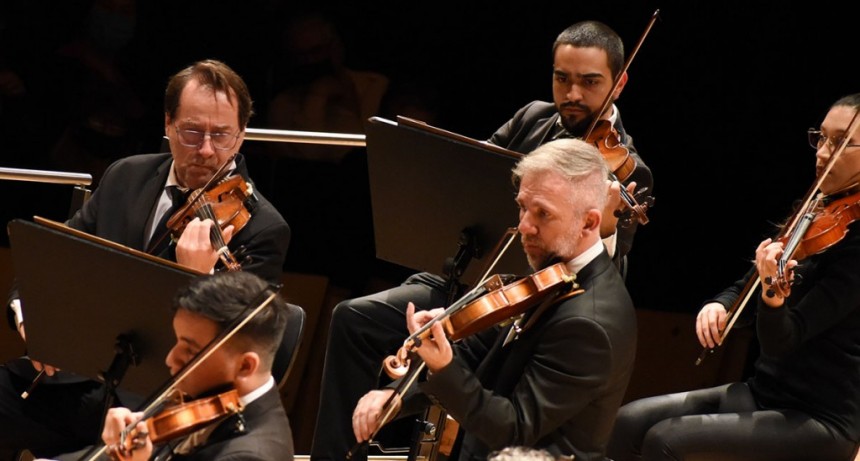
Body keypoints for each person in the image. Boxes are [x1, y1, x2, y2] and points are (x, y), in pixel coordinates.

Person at [310, 20, 650, 461]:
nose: (572, 95)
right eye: (561, 78)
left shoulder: (626, 170)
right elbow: (471, 177)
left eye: (590, 82)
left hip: (540, 289)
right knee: (356, 318)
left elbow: (602, 263)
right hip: (483, 279)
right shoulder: (534, 118)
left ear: (618, 83)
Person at [1, 59, 290, 459]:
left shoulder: (262, 228)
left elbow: (232, 353)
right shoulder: (125, 176)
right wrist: (33, 315)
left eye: (221, 135)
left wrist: (194, 280)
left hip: (154, 407)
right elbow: (51, 263)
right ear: (168, 123)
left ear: (241, 136)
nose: (207, 150)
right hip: (67, 383)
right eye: (191, 132)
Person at [606, 93, 860, 461]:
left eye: (840, 143)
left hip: (820, 417)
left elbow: (784, 340)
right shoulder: (816, 208)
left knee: (666, 441)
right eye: (821, 137)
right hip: (764, 395)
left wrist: (773, 300)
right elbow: (746, 285)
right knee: (628, 422)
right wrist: (721, 304)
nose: (822, 152)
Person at [351, 138, 637, 461]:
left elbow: (514, 429)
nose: (524, 226)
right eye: (523, 207)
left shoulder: (590, 325)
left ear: (589, 223)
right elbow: (473, 354)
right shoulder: (552, 271)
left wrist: (444, 367)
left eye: (543, 214)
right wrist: (396, 395)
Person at [99, 271, 294, 460]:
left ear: (245, 366)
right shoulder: (199, 399)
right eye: (177, 341)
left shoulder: (248, 456)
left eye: (190, 350)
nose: (170, 359)